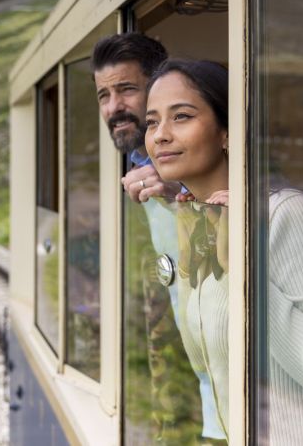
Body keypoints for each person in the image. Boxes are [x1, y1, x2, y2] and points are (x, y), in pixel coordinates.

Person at [144, 58, 303, 444]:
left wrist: (243, 267)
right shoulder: (200, 221)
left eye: (182, 117)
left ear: (227, 132)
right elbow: (209, 366)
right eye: (152, 122)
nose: (160, 135)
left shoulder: (287, 215)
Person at [91, 34, 223, 442]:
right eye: (103, 95)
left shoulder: (215, 172)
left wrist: (183, 190)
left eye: (127, 89)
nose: (114, 107)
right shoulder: (131, 165)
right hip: (172, 386)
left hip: (233, 396)